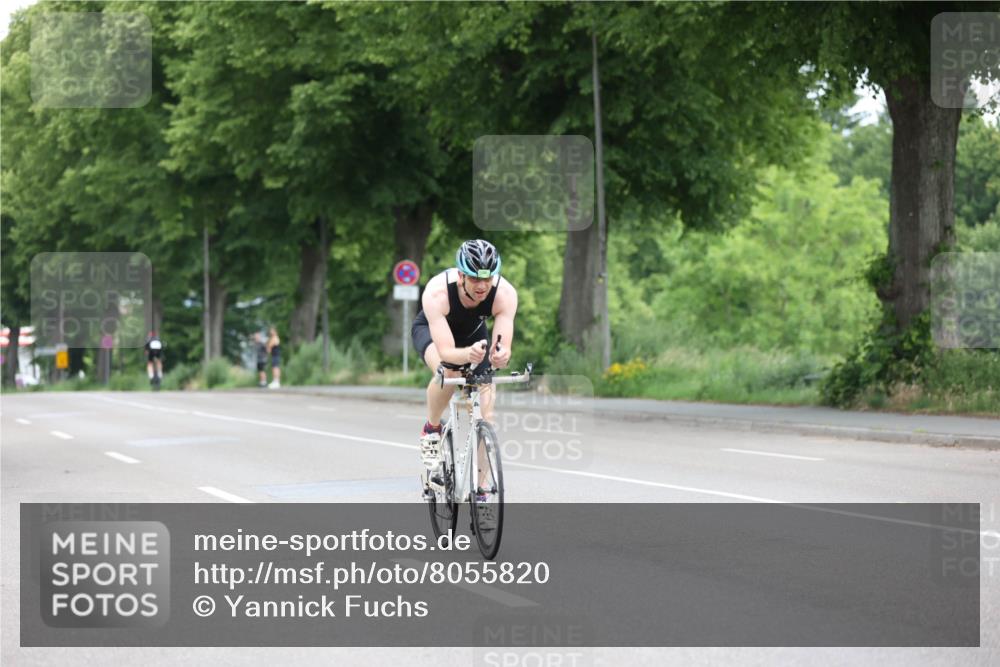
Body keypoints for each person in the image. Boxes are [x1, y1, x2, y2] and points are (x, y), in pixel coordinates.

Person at [410, 239, 518, 499]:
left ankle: (480, 488)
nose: (482, 286)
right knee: (449, 373)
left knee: (487, 413)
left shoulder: (504, 294)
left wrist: (501, 354)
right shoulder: (437, 293)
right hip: (433, 332)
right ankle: (432, 429)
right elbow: (447, 352)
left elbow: (502, 343)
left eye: (487, 279)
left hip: (473, 335)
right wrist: (465, 356)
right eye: (474, 279)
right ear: (460, 275)